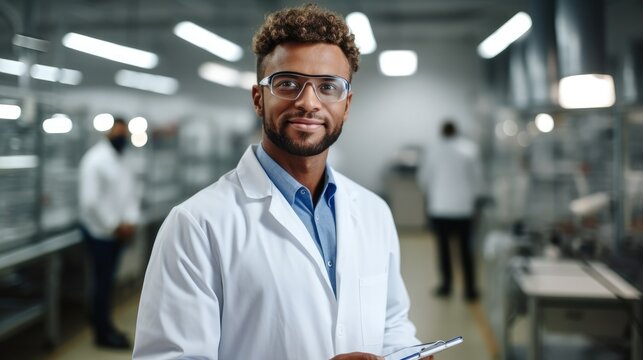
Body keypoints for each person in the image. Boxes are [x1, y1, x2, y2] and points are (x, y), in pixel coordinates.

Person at [133, 4, 420, 359]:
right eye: (288, 84)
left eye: (328, 87)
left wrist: (405, 352)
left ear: (346, 105)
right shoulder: (196, 225)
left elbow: (392, 322)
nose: (308, 103)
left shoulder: (374, 212)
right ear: (258, 98)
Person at [78, 117, 141, 348]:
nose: (121, 138)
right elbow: (90, 202)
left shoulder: (123, 160)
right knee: (102, 283)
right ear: (108, 134)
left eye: (124, 134)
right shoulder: (95, 161)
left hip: (117, 233)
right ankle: (102, 332)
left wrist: (130, 221)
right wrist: (115, 225)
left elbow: (131, 193)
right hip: (99, 233)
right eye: (117, 134)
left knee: (107, 282)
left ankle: (105, 325)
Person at [417, 120, 483, 301]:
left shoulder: (432, 150)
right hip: (464, 208)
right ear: (457, 132)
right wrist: (475, 199)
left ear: (441, 132)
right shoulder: (470, 149)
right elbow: (477, 180)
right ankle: (470, 290)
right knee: (465, 250)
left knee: (443, 249)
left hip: (440, 207)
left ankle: (446, 286)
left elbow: (423, 179)